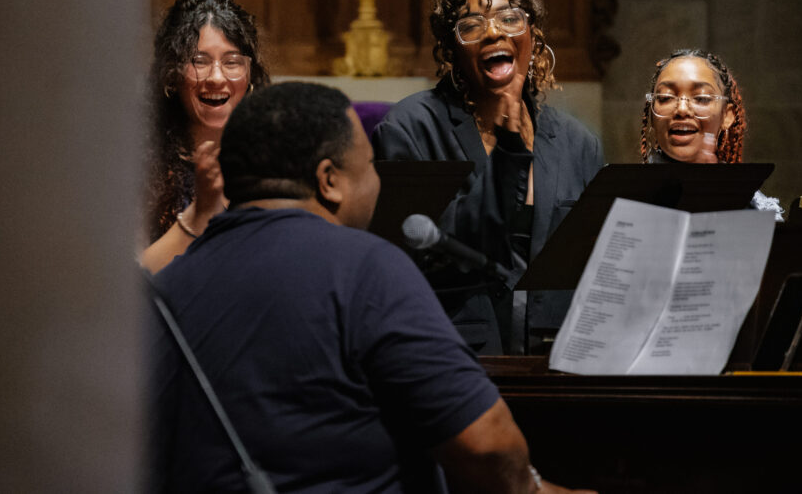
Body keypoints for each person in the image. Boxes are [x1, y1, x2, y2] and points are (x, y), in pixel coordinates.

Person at [146, 82, 594, 494]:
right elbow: (488, 447)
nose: (377, 181)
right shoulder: (366, 269)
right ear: (330, 180)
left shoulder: (161, 292)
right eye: (369, 167)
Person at [372, 0, 603, 355]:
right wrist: (509, 157)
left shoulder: (577, 143)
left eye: (509, 18)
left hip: (556, 360)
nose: (493, 32)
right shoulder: (411, 129)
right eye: (472, 25)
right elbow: (419, 258)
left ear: (534, 35)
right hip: (458, 357)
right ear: (451, 49)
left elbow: (596, 267)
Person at [140, 0, 270, 273]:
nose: (216, 77)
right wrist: (198, 215)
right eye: (199, 61)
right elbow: (128, 279)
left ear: (250, 76)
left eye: (232, 62)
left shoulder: (272, 159)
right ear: (171, 77)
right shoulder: (139, 166)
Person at [640, 48, 783, 219]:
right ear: (652, 115)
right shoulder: (624, 198)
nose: (682, 110)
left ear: (727, 116)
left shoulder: (754, 208)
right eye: (665, 97)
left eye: (701, 98)